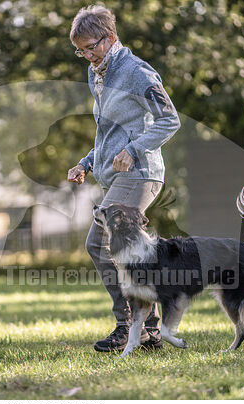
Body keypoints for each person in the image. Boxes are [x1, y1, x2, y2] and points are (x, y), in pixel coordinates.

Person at [67, 5, 181, 352]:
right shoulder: (97, 74)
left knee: (100, 244)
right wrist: (86, 162)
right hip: (117, 174)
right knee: (127, 252)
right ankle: (148, 329)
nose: (87, 56)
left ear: (110, 37)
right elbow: (108, 131)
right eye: (80, 50)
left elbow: (170, 120)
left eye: (92, 47)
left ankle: (128, 326)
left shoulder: (137, 72)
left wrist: (132, 150)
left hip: (141, 172)